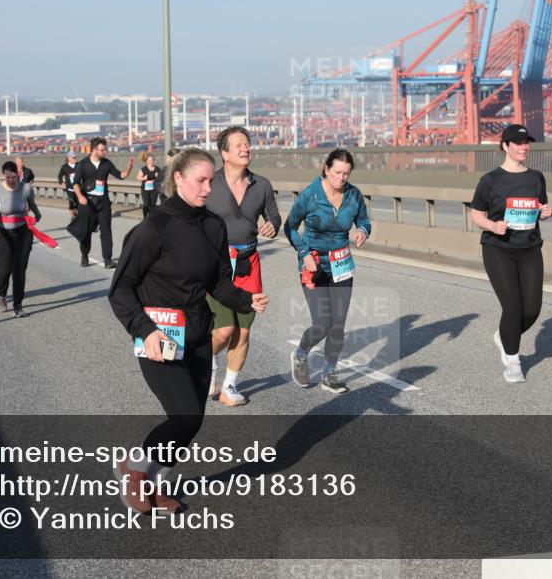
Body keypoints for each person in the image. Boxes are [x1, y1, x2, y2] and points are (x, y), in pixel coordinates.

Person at [108, 148, 269, 514]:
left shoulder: (213, 225)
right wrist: (144, 331)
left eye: (212, 180)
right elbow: (120, 289)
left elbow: (219, 283)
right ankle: (135, 470)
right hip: (159, 338)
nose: (208, 187)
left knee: (191, 423)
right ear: (177, 178)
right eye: (201, 180)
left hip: (197, 334)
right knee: (185, 416)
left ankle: (155, 478)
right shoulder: (153, 229)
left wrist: (247, 300)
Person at [204, 126, 281, 406]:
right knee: (223, 330)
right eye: (238, 145)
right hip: (218, 264)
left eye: (247, 144)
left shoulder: (261, 185)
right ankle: (203, 362)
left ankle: (229, 388)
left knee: (244, 330)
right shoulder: (209, 183)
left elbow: (273, 214)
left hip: (249, 262)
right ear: (224, 153)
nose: (246, 148)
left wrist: (273, 224)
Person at [470, 124, 552, 384]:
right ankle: (513, 362)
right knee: (513, 306)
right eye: (517, 142)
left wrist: (546, 213)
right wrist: (493, 226)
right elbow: (476, 214)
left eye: (526, 142)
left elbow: (540, 207)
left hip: (530, 249)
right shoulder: (490, 180)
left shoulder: (536, 178)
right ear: (505, 146)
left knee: (532, 309)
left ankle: (505, 335)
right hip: (498, 250)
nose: (523, 147)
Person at [284, 149, 371, 394]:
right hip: (314, 264)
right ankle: (301, 354)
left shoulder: (354, 195)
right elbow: (289, 227)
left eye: (346, 173)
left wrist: (363, 231)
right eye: (337, 172)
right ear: (326, 169)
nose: (341, 178)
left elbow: (363, 220)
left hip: (341, 264)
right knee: (322, 324)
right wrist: (303, 253)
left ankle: (329, 374)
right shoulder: (310, 195)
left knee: (338, 325)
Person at [70, 136, 134, 269]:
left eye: (105, 150)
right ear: (94, 150)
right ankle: (85, 255)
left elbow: (120, 176)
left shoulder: (106, 163)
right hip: (87, 202)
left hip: (103, 201)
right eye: (102, 150)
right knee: (86, 231)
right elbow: (75, 183)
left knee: (106, 230)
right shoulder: (83, 164)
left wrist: (128, 168)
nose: (105, 152)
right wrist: (80, 196)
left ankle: (107, 260)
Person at [0, 161, 42, 318]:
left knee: (20, 269)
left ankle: (18, 305)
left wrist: (38, 215)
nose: (11, 180)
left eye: (14, 177)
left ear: (18, 175)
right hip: (3, 232)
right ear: (3, 176)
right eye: (8, 177)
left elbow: (32, 204)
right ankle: (1, 297)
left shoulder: (26, 188)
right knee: (5, 269)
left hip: (23, 231)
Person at [136, 153, 162, 218]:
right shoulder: (144, 169)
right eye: (150, 160)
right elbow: (138, 177)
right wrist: (144, 178)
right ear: (147, 161)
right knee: (146, 204)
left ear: (154, 161)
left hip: (154, 189)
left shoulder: (157, 169)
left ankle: (151, 218)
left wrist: (157, 177)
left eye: (152, 160)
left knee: (153, 205)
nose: (151, 162)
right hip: (145, 189)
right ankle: (145, 217)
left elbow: (161, 178)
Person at [57, 152, 79, 219]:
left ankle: (76, 215)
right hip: (69, 189)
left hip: (78, 189)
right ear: (69, 158)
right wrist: (62, 183)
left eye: (75, 157)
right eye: (73, 157)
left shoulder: (79, 165)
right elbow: (59, 176)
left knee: (78, 204)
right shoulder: (64, 167)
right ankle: (72, 218)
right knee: (71, 203)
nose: (75, 159)